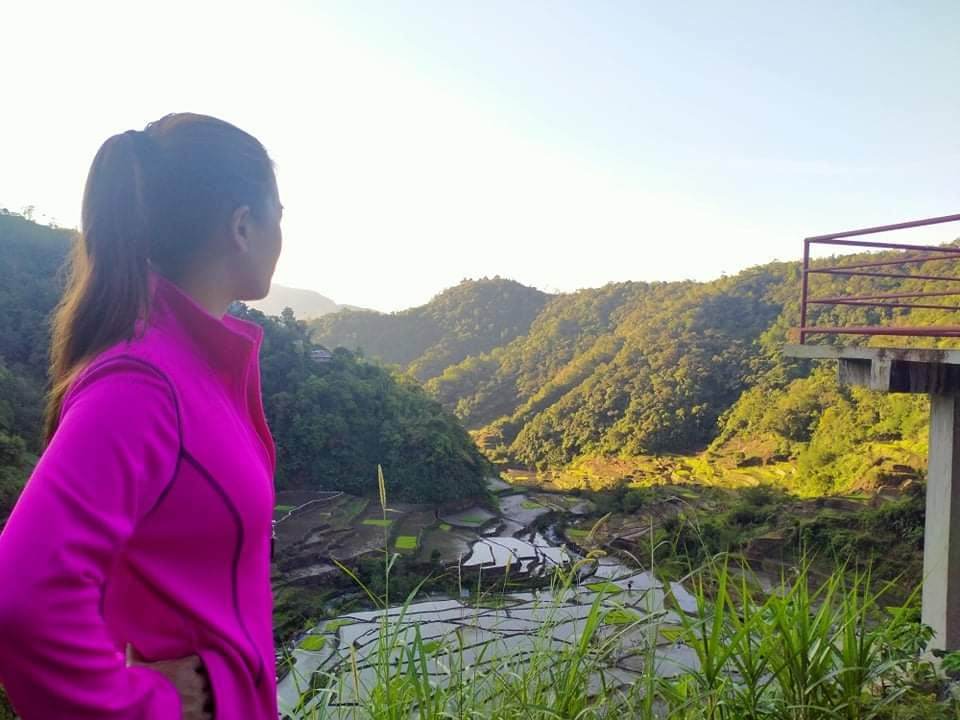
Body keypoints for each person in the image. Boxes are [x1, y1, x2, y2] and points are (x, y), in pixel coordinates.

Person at [0, 113, 283, 719]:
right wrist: (144, 702)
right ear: (241, 226)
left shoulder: (194, 366)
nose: (283, 235)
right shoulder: (143, 381)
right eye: (278, 216)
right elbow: (22, 594)